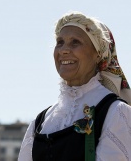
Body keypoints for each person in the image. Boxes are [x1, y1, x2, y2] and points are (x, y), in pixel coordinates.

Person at [18, 12, 131, 161]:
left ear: (98, 54)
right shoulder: (41, 122)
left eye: (75, 42)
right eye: (60, 42)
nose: (64, 50)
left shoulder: (116, 112)